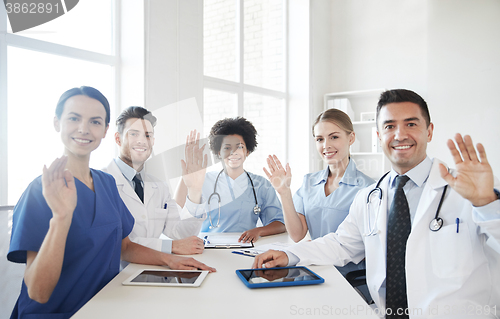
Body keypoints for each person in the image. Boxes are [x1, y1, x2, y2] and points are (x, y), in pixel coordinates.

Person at [253, 89, 500, 318]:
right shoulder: (370, 196)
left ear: (429, 130)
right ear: (379, 135)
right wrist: (289, 253)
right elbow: (341, 245)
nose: (400, 134)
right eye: (390, 126)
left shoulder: (471, 190)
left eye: (411, 124)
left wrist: (487, 204)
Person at [7, 87, 215, 319]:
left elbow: (125, 247)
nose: (84, 128)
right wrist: (61, 218)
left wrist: (171, 260)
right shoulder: (39, 192)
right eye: (74, 118)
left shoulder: (105, 183)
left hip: (105, 305)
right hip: (56, 314)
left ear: (105, 130)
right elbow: (38, 292)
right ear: (57, 123)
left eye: (95, 121)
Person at [103, 106, 205, 255]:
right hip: (119, 275)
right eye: (133, 134)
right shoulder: (101, 183)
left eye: (147, 135)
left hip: (157, 272)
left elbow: (181, 235)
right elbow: (114, 241)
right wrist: (170, 247)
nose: (141, 141)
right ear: (118, 139)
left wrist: (195, 191)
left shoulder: (159, 186)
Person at [175, 117, 285, 243]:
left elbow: (280, 223)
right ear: (218, 153)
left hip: (245, 248)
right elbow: (177, 210)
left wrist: (258, 231)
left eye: (240, 147)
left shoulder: (261, 185)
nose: (234, 152)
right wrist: (184, 178)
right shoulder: (202, 180)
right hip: (207, 248)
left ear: (247, 151)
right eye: (227, 148)